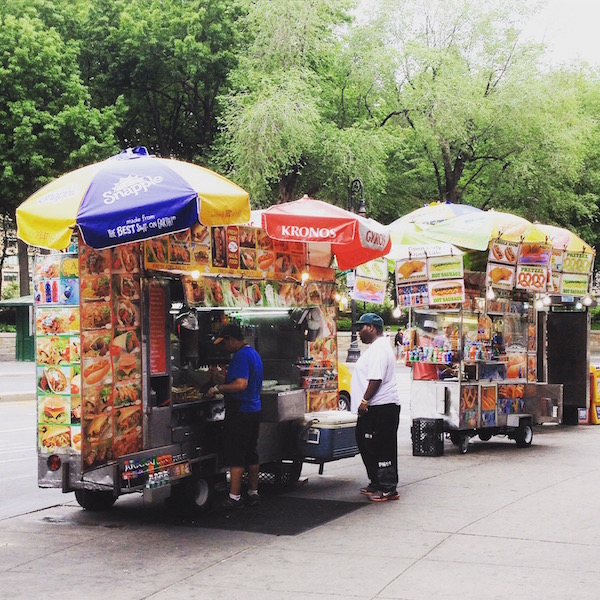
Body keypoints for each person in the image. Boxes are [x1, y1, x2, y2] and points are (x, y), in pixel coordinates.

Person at [207, 323, 263, 509]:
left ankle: (234, 497)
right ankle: (253, 493)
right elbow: (238, 380)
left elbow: (240, 385)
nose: (223, 348)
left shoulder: (240, 357)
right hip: (254, 410)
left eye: (224, 343)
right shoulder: (253, 354)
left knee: (236, 455)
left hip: (240, 411)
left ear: (232, 340)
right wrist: (218, 378)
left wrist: (218, 388)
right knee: (251, 453)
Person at [350, 313, 401, 502]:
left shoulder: (380, 348)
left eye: (361, 328)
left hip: (381, 407)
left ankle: (388, 487)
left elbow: (376, 379)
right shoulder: (375, 348)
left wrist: (364, 401)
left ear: (371, 328)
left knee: (382, 447)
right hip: (374, 408)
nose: (358, 332)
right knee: (366, 444)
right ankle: (376, 481)